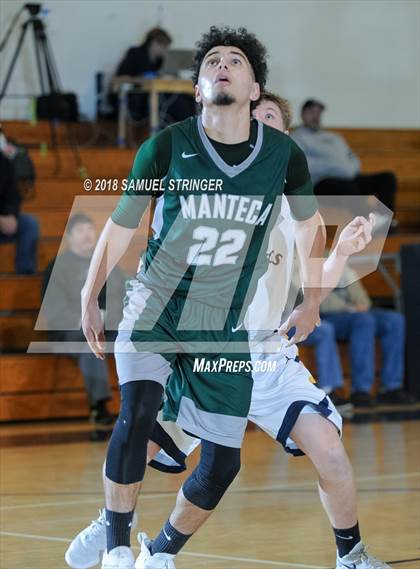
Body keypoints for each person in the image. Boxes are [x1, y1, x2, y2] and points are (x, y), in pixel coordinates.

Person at [66, 90, 392, 569]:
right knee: (142, 439)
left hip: (270, 357)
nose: (254, 127)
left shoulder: (298, 209)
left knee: (331, 452)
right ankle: (111, 521)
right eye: (249, 119)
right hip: (210, 351)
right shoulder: (216, 192)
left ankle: (350, 554)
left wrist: (342, 253)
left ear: (283, 140)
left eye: (267, 121)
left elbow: (311, 281)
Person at [80, 25, 326, 569]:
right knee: (140, 412)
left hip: (222, 325)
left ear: (255, 88)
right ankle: (117, 547)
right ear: (197, 90)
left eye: (235, 60)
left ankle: (158, 551)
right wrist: (89, 291)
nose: (222, 65)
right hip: (158, 305)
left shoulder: (283, 157)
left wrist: (312, 299)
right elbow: (121, 226)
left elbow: (311, 230)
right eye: (212, 60)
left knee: (222, 464)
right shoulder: (166, 146)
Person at [41, 213, 126, 424]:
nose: (87, 234)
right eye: (80, 230)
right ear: (69, 237)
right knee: (90, 347)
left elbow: (123, 296)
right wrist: (87, 321)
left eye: (89, 229)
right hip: (69, 331)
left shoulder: (107, 264)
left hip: (108, 327)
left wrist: (107, 317)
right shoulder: (57, 267)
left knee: (132, 344)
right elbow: (54, 309)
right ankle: (100, 407)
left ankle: (138, 402)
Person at [320, 266, 416, 407]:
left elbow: (363, 299)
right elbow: (317, 301)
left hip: (354, 314)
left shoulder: (339, 262)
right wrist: (350, 308)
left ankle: (391, 387)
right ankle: (361, 390)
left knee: (394, 320)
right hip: (327, 315)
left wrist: (360, 304)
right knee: (364, 321)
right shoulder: (306, 262)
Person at [291, 99, 398, 219]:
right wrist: (337, 167)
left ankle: (384, 222)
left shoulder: (335, 137)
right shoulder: (297, 137)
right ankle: (367, 223)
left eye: (318, 113)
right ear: (302, 114)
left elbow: (353, 158)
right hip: (321, 183)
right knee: (347, 187)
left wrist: (347, 170)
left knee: (387, 179)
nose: (315, 117)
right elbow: (305, 165)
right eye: (311, 112)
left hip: (348, 177)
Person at [112, 27, 195, 124]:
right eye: (164, 47)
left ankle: (186, 131)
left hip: (154, 95)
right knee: (179, 104)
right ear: (154, 43)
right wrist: (141, 79)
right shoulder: (135, 54)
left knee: (187, 99)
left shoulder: (158, 61)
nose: (165, 50)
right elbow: (118, 79)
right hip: (136, 98)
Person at [0, 151, 39, 274]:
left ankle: (25, 276)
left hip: (4, 221)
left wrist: (12, 215)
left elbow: (13, 197)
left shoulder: (4, 163)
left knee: (30, 224)